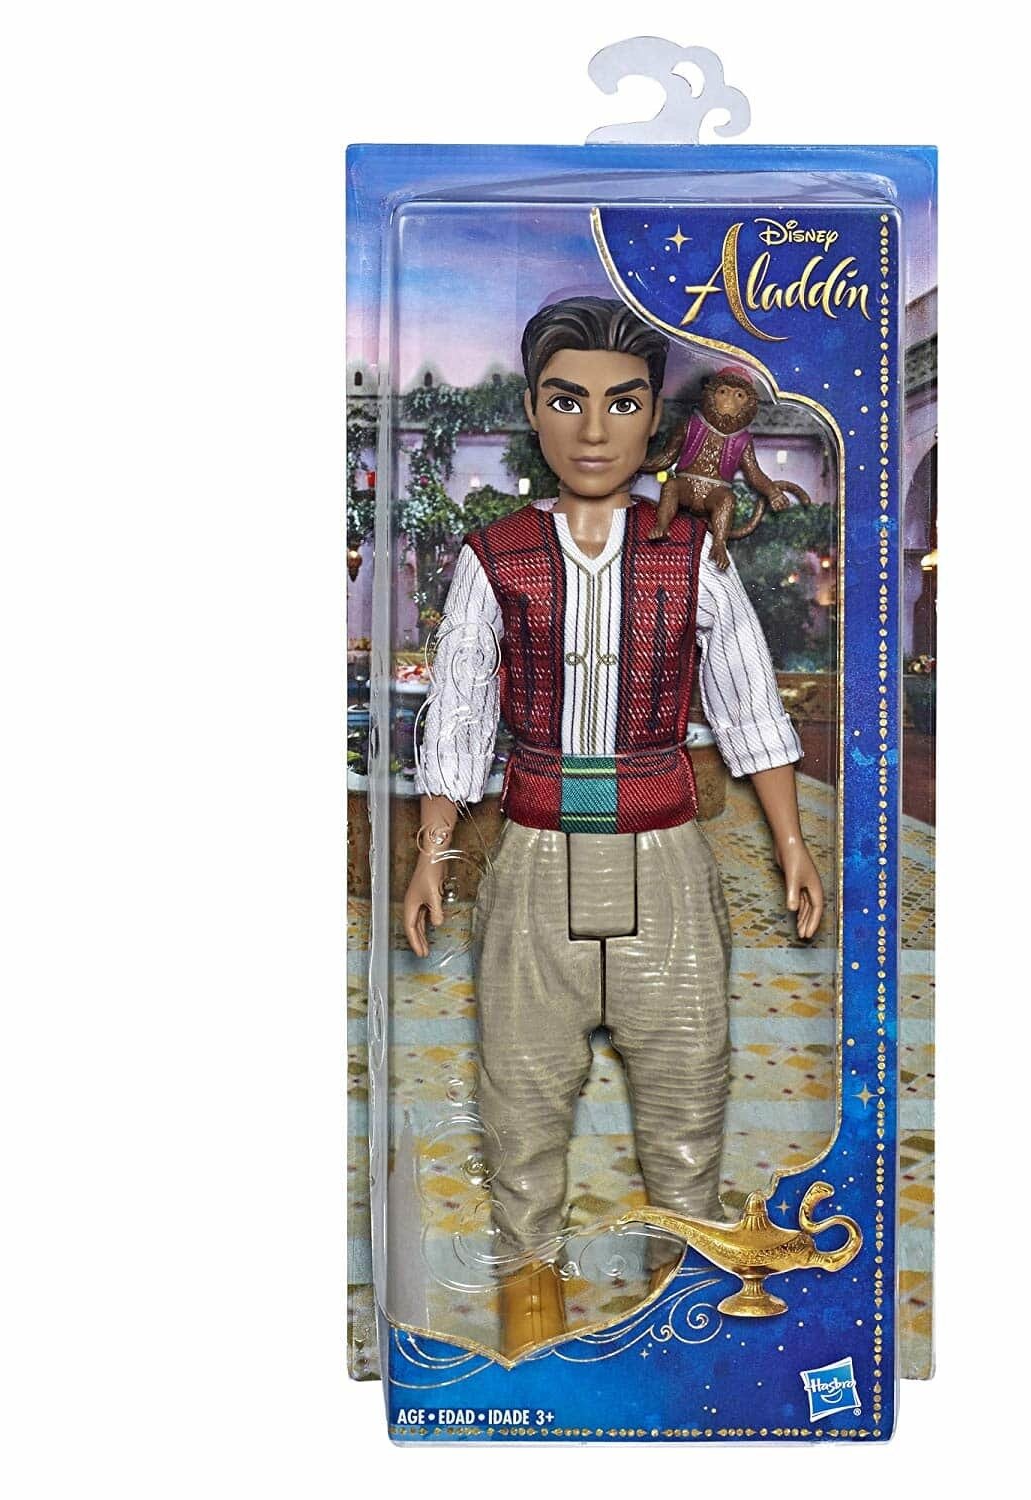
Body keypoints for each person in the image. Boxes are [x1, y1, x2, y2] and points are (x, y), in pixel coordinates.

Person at [403, 296, 824, 1358]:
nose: (594, 430)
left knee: (687, 1114)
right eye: (567, 401)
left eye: (623, 403)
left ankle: (678, 1350)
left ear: (654, 418)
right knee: (520, 1120)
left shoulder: (693, 555)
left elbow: (747, 701)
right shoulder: (497, 555)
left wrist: (792, 843)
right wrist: (433, 853)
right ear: (532, 412)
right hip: (534, 867)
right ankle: (530, 1350)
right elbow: (460, 712)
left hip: (666, 864)